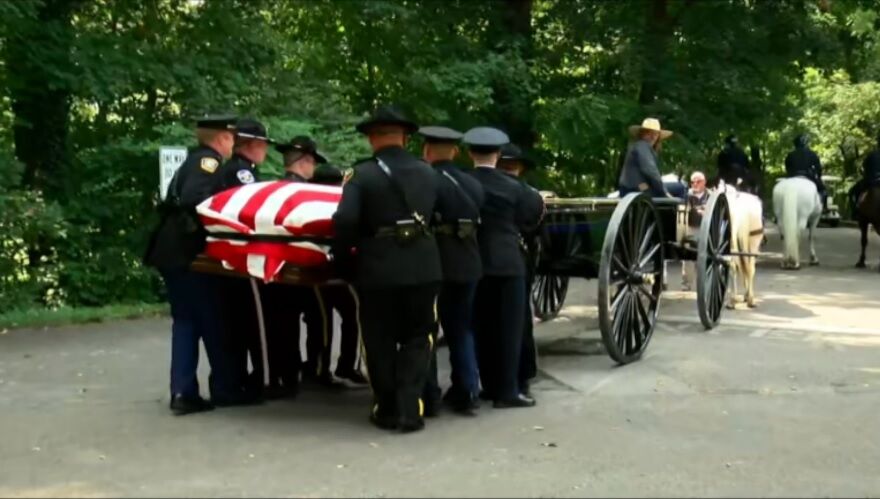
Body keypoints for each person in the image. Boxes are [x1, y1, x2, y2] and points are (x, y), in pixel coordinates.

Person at [332, 105, 446, 433]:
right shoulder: (428, 173)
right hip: (424, 268)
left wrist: (344, 262)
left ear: (371, 138)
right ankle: (411, 409)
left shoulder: (361, 174)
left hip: (378, 269)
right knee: (418, 337)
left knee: (378, 338)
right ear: (406, 138)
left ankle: (386, 408)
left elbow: (345, 221)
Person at [143, 114, 252, 415]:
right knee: (213, 320)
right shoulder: (210, 162)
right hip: (189, 253)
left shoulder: (192, 161)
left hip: (171, 250)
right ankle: (225, 389)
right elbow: (196, 198)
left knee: (186, 323)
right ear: (221, 139)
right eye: (231, 138)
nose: (233, 144)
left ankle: (183, 391)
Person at [468, 127, 544, 409]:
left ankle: (487, 385)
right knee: (510, 328)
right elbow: (532, 217)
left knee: (481, 325)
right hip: (508, 262)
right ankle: (508, 390)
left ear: (469, 153)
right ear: (498, 155)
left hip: (474, 261)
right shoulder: (516, 188)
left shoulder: (463, 182)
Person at [419, 125, 484, 416]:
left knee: (428, 331)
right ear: (456, 152)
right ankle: (467, 390)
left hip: (437, 263)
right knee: (462, 329)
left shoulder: (428, 181)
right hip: (469, 262)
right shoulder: (472, 183)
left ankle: (429, 394)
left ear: (426, 151)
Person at [213, 118, 275, 401]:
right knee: (251, 323)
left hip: (231, 257)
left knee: (236, 323)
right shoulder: (241, 173)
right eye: (262, 145)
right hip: (242, 257)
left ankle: (234, 382)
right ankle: (256, 382)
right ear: (250, 145)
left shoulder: (238, 170)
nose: (264, 151)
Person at [307, 162, 369, 387]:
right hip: (332, 273)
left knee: (324, 323)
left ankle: (324, 367)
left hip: (322, 273)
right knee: (342, 320)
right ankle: (331, 368)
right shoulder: (336, 201)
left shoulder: (312, 201)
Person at [497, 142, 541, 399]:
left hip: (488, 260)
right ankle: (520, 378)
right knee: (519, 320)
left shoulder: (484, 187)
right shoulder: (530, 195)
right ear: (520, 168)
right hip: (520, 258)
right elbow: (536, 226)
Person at [618, 118, 674, 197]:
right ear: (642, 134)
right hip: (637, 188)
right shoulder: (642, 145)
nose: (653, 137)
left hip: (634, 187)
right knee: (680, 188)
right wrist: (664, 191)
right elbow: (650, 171)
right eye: (649, 133)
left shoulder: (639, 146)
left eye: (656, 134)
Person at [682, 171, 709, 291]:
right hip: (690, 227)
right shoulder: (686, 195)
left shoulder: (711, 196)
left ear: (704, 182)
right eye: (692, 182)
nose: (695, 184)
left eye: (698, 181)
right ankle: (686, 283)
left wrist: (705, 212)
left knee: (704, 256)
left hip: (706, 229)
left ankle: (703, 282)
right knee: (688, 257)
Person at [784, 133, 827, 209]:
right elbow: (818, 168)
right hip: (808, 176)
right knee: (823, 190)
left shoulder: (790, 155)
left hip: (793, 176)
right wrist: (818, 177)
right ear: (806, 143)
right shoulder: (812, 154)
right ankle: (824, 208)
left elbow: (787, 168)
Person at [848, 133, 880, 216]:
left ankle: (855, 211)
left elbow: (865, 167)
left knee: (852, 192)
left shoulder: (872, 155)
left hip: (872, 182)